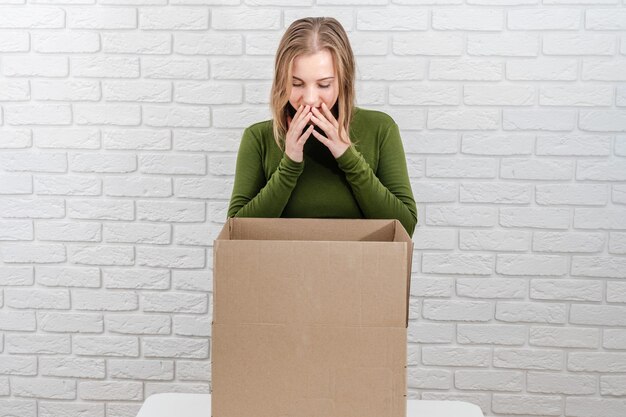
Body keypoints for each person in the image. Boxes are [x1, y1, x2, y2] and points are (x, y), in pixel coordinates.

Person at [227, 17, 417, 237]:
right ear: (282, 80)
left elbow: (405, 227)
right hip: (280, 270)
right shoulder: (258, 137)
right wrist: (289, 163)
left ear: (343, 80)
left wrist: (348, 157)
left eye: (324, 84)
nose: (309, 99)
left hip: (360, 269)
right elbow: (237, 234)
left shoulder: (380, 129)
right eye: (296, 83)